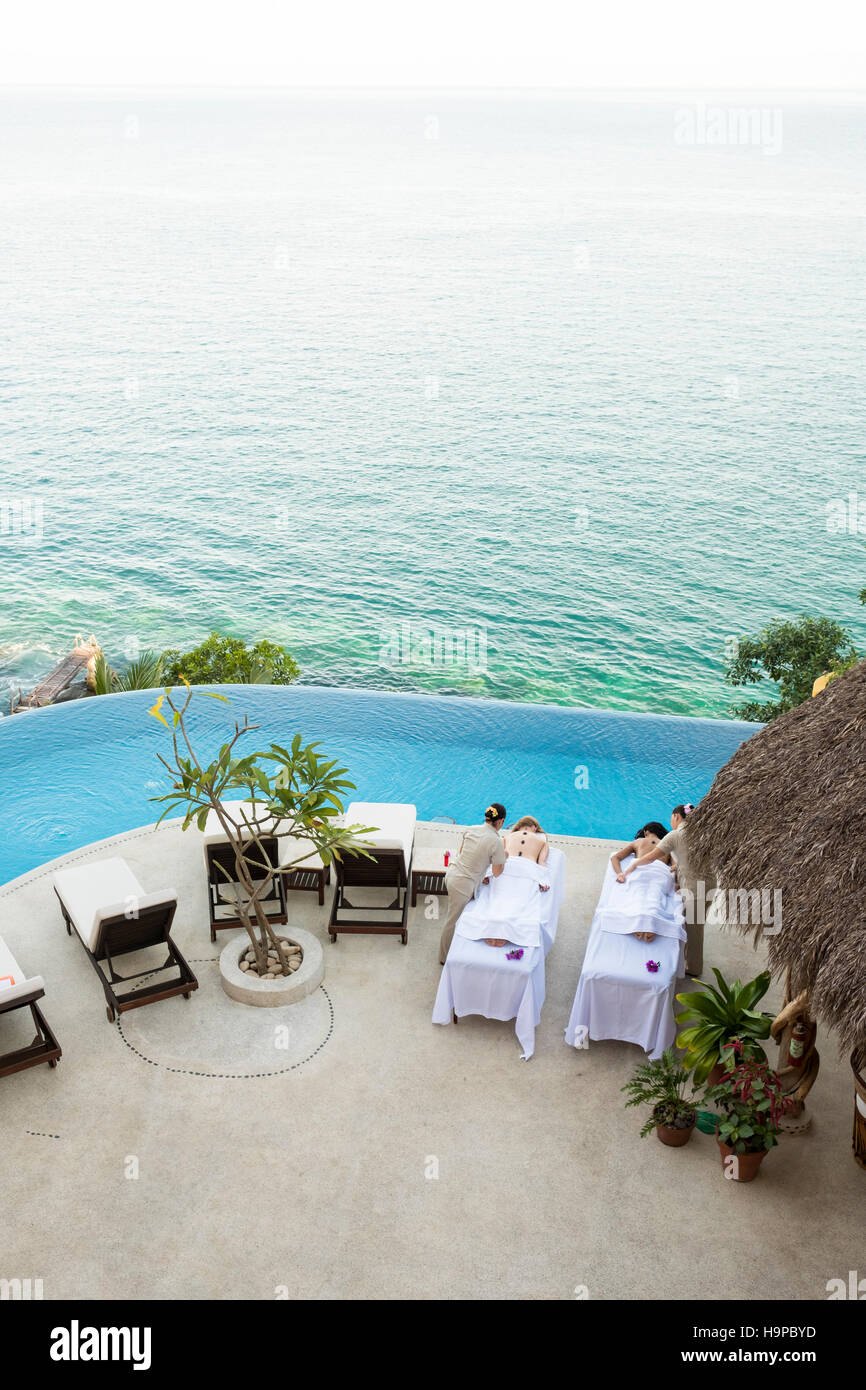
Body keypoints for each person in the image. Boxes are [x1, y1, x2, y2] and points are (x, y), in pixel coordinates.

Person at [621, 802, 703, 974]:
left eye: (671, 818)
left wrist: (631, 867)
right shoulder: (700, 833)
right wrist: (677, 869)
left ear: (676, 816)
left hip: (695, 887)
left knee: (694, 928)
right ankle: (689, 960)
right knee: (694, 924)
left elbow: (650, 857)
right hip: (707, 883)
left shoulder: (675, 835)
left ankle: (693, 968)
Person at [439, 803, 507, 964]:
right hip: (462, 885)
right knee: (452, 922)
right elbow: (497, 872)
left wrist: (481, 872)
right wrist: (504, 856)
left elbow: (464, 853)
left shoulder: (471, 829)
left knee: (456, 917)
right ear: (501, 821)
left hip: (452, 874)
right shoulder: (496, 841)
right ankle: (444, 959)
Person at [608, 822, 670, 941]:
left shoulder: (639, 841)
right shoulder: (667, 844)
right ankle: (650, 926)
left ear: (646, 832)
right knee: (655, 895)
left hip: (641, 869)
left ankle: (638, 924)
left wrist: (620, 873)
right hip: (659, 872)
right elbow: (675, 866)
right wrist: (677, 882)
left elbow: (615, 857)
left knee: (638, 894)